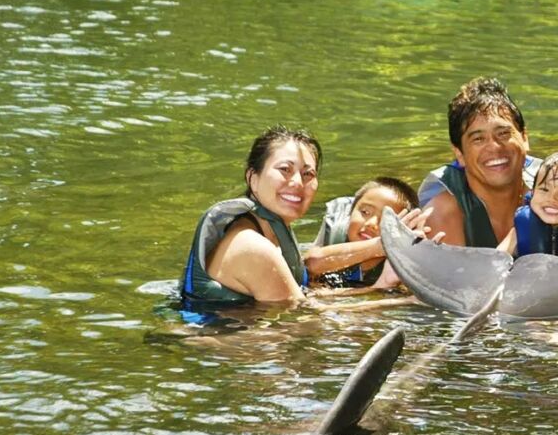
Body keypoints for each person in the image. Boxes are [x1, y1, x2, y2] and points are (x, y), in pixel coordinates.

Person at [180, 125, 320, 305]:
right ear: (253, 179)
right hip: (215, 333)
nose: (298, 182)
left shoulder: (265, 229)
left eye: (308, 173)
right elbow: (301, 320)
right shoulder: (252, 247)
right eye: (285, 169)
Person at [419, 77, 543, 248]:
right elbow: (457, 275)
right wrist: (515, 236)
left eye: (503, 133)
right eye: (478, 139)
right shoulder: (442, 214)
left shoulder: (555, 189)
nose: (494, 147)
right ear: (459, 154)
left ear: (524, 137)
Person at [305, 176, 420, 287]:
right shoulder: (330, 244)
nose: (372, 224)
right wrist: (381, 245)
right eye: (365, 212)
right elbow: (310, 265)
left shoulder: (400, 270)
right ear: (350, 213)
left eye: (385, 219)